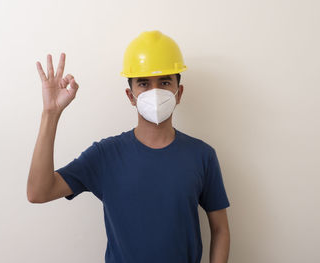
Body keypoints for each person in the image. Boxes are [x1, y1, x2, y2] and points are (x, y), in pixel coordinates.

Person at [27, 30, 231, 263]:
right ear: (131, 95)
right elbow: (38, 192)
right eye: (144, 83)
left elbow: (220, 230)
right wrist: (50, 114)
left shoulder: (202, 155)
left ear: (179, 92)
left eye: (165, 82)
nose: (155, 92)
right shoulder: (105, 155)